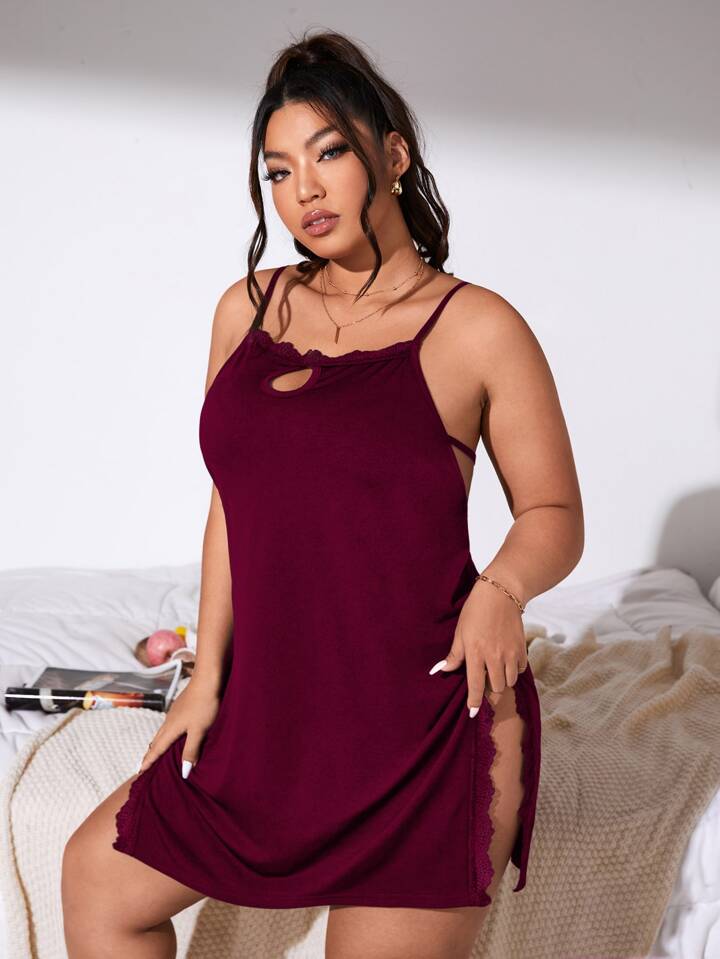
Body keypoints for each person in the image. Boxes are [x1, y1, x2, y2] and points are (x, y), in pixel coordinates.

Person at [61, 27, 583, 959]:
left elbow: (554, 514)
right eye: (278, 170)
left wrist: (502, 590)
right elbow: (233, 499)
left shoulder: (476, 327)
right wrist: (206, 680)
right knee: (96, 879)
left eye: (330, 153)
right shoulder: (247, 309)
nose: (304, 189)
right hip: (273, 714)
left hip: (426, 724)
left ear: (394, 155)